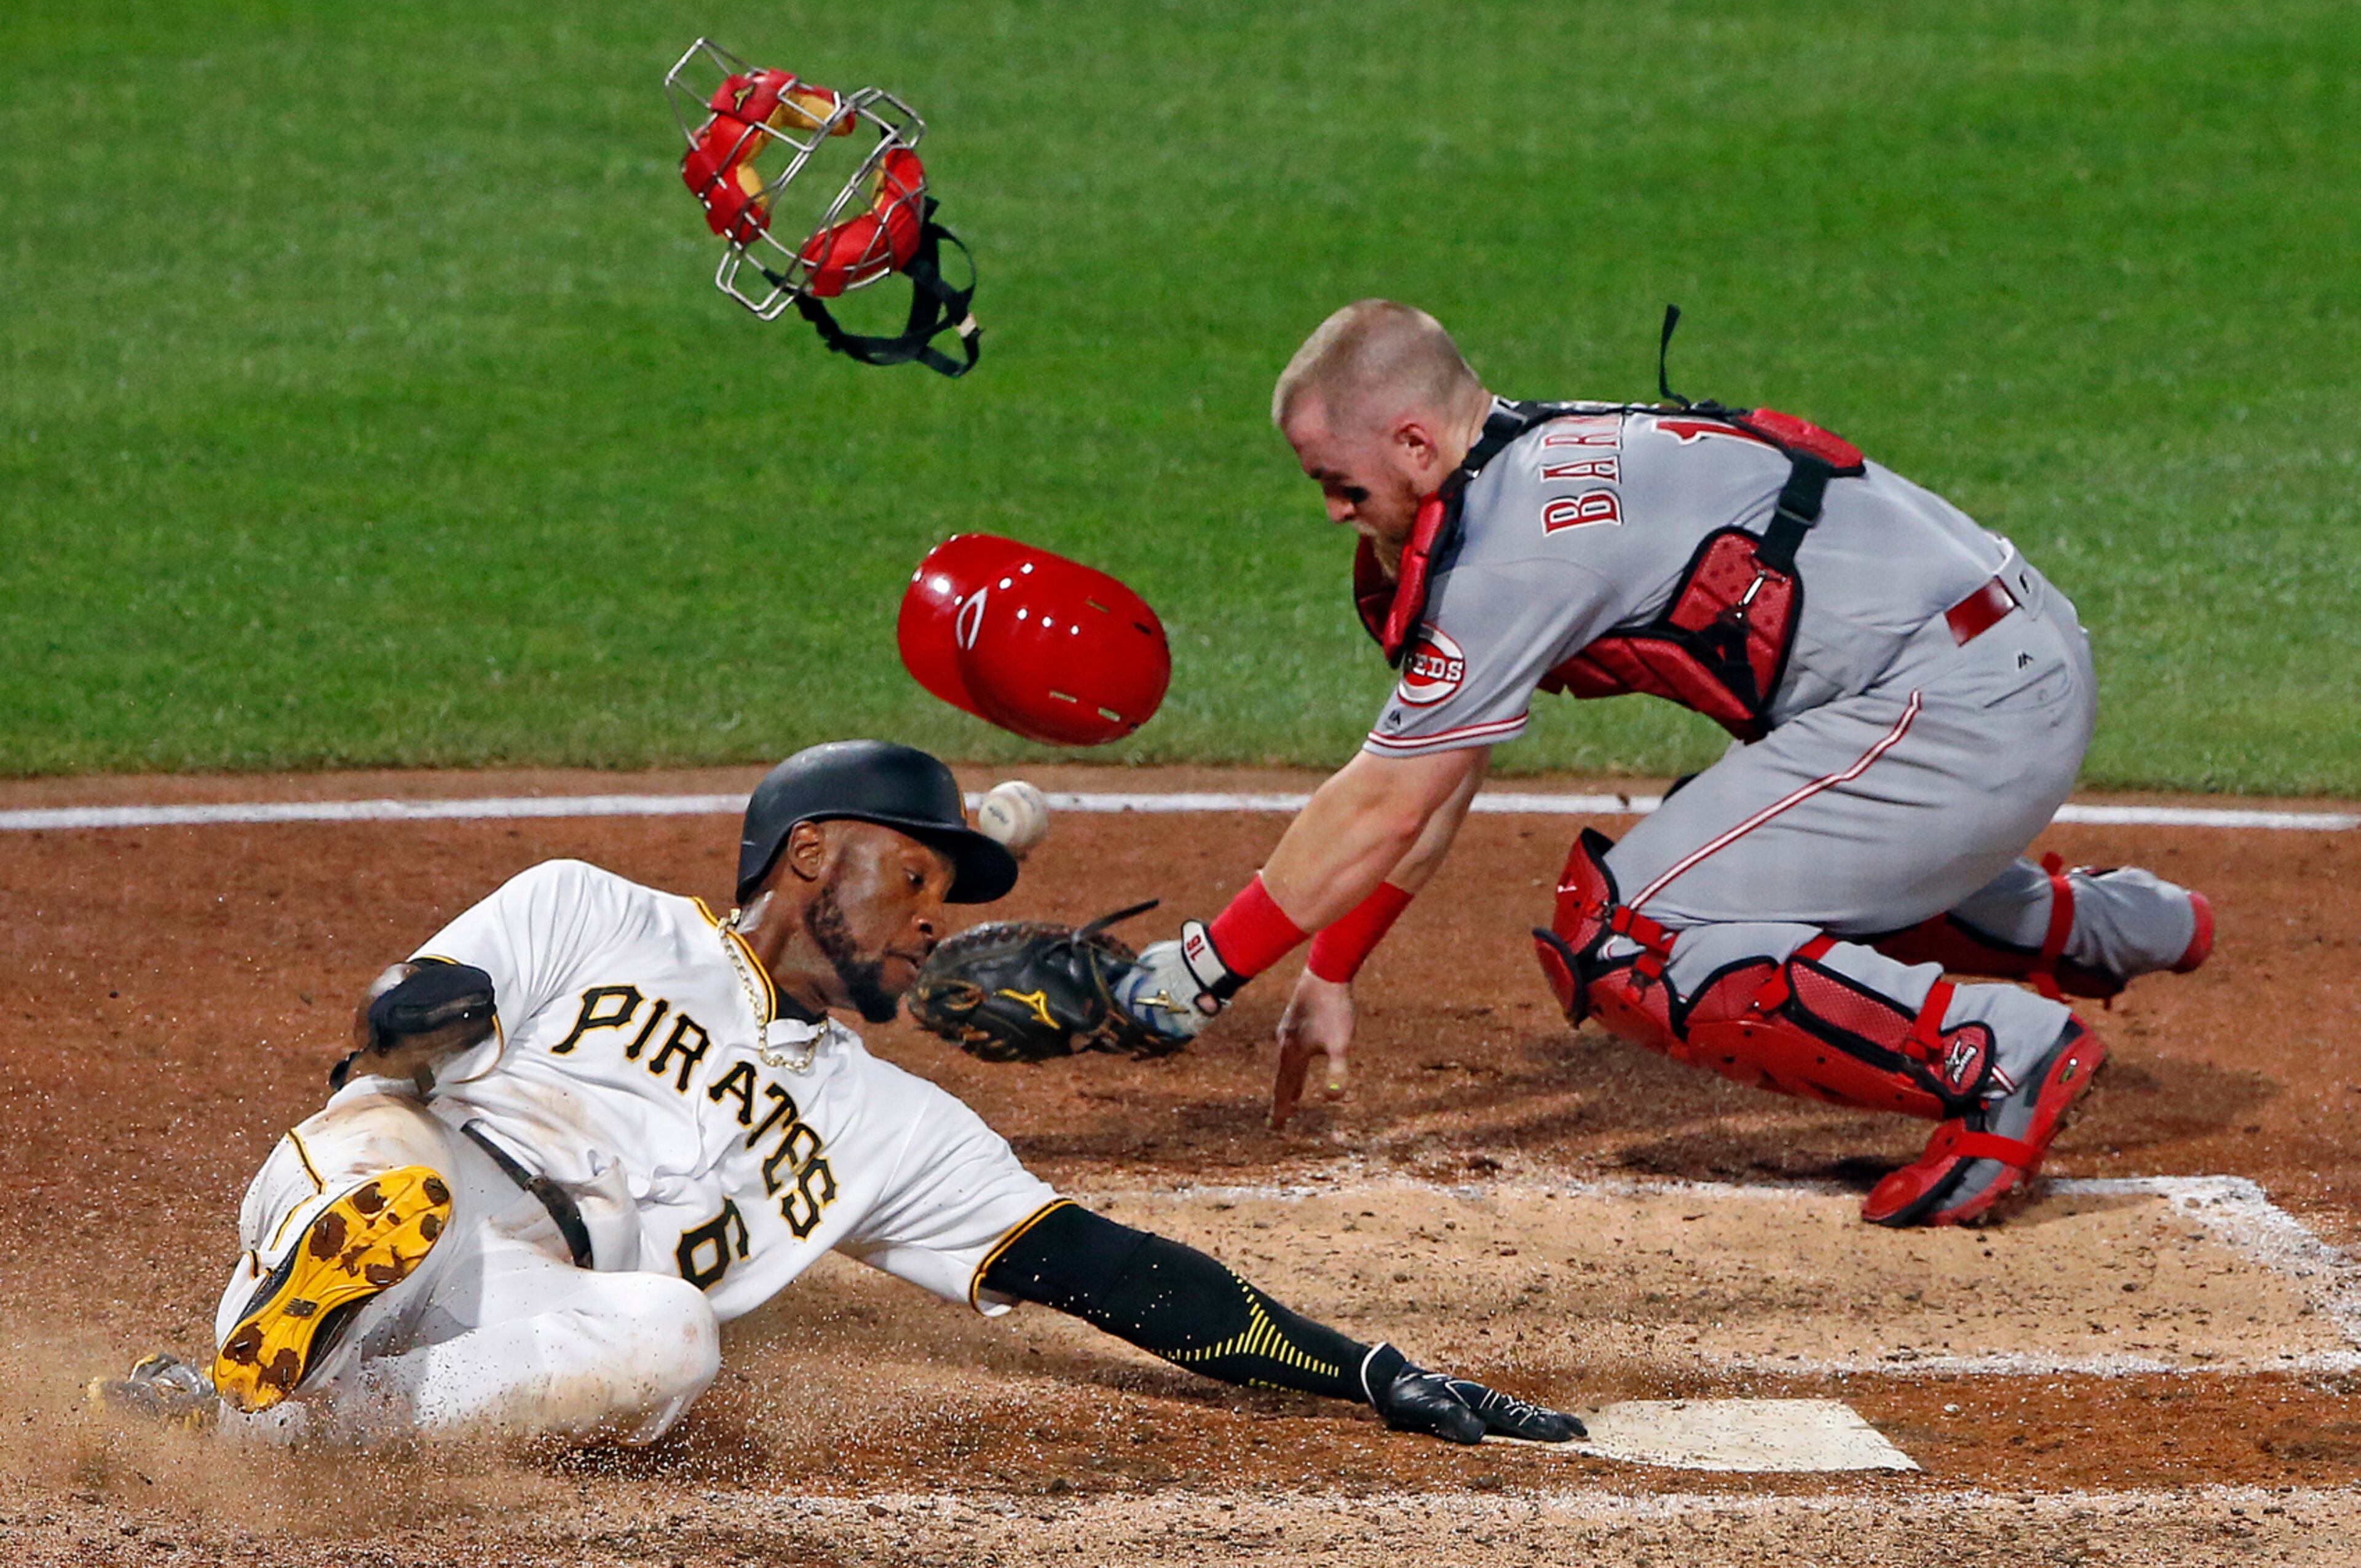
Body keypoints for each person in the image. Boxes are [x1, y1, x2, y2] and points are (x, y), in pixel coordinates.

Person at [90, 741, 1578, 1449]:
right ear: (810, 858)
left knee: (669, 1342)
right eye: (918, 877)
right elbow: (397, 1027)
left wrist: (1367, 1370)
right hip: (414, 1171)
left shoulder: (889, 1125)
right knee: (384, 1157)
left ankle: (248, 1424)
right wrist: (433, 1018)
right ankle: (286, 1345)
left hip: (541, 1300)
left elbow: (1104, 1270)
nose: (935, 920)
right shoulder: (589, 910)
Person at [1114, 301, 2211, 1228]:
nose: (1335, 513)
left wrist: (1201, 970)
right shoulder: (1521, 460)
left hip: (1963, 715)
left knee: (1633, 931)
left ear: (1412, 442)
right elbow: (1439, 777)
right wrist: (1334, 966)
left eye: (1341, 483)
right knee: (1733, 859)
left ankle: (1998, 1053)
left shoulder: (1517, 545)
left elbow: (1389, 798)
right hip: (1989, 670)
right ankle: (2103, 924)